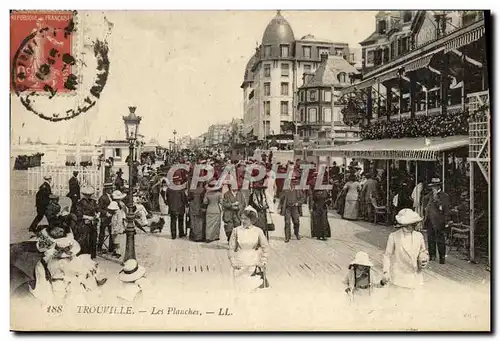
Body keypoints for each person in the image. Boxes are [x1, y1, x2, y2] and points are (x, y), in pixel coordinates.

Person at [383, 209, 429, 296]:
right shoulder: (394, 236)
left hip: (416, 277)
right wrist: (386, 271)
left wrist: (424, 258)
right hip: (399, 278)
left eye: (414, 224)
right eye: (411, 224)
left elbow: (423, 251)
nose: (413, 226)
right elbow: (387, 256)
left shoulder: (419, 236)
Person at [228, 206, 270, 293]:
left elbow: (265, 247)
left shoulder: (258, 231)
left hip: (253, 263)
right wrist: (233, 261)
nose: (243, 221)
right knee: (239, 289)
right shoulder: (236, 231)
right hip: (239, 263)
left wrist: (263, 260)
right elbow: (231, 248)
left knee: (252, 289)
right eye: (242, 218)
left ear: (252, 219)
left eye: (246, 219)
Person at [421, 178, 452, 264]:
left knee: (440, 239)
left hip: (439, 221)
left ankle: (442, 258)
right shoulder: (428, 195)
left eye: (435, 186)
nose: (434, 187)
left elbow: (446, 210)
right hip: (430, 220)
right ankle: (432, 256)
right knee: (430, 238)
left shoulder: (444, 196)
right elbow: (424, 204)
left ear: (439, 186)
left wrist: (446, 221)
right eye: (432, 186)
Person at [74, 187, 99, 259]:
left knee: (93, 238)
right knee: (85, 238)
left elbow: (97, 209)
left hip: (93, 222)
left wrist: (97, 214)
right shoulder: (80, 203)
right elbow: (78, 213)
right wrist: (88, 217)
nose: (89, 196)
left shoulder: (93, 202)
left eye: (90, 195)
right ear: (84, 195)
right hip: (84, 222)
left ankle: (92, 255)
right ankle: (85, 254)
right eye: (87, 195)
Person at [278, 176, 304, 243]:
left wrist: (298, 203)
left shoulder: (298, 189)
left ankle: (296, 233)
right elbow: (281, 199)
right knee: (287, 222)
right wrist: (279, 207)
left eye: (293, 181)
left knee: (296, 222)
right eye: (291, 181)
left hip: (295, 208)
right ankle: (287, 237)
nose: (292, 182)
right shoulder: (285, 189)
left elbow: (303, 198)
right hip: (287, 208)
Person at [97, 183, 114, 254]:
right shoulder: (102, 198)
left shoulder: (112, 197)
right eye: (110, 189)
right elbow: (99, 208)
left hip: (111, 217)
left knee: (111, 232)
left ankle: (111, 248)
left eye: (111, 188)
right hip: (104, 217)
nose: (111, 190)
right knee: (102, 232)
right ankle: (99, 247)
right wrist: (106, 213)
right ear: (107, 189)